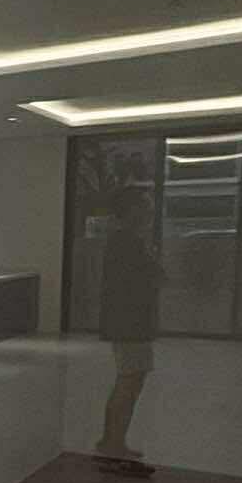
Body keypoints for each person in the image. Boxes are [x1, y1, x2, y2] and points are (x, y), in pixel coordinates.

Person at [96, 187, 161, 464]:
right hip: (129, 323)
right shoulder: (127, 242)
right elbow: (146, 279)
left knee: (130, 378)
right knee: (129, 379)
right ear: (132, 210)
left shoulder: (126, 241)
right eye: (145, 206)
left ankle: (113, 441)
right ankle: (113, 443)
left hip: (130, 321)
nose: (150, 211)